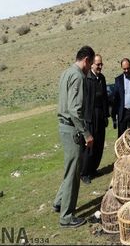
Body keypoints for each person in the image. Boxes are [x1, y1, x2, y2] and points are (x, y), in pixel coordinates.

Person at [53, 46, 95, 228]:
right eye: (90, 64)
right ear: (86, 60)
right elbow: (74, 109)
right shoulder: (77, 76)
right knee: (73, 172)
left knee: (70, 168)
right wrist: (86, 133)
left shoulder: (66, 73)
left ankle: (58, 202)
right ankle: (67, 217)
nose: (90, 68)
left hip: (63, 126)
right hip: (72, 128)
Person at [81, 54, 110, 184]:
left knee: (99, 143)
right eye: (98, 64)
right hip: (90, 116)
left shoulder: (101, 78)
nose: (100, 67)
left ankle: (93, 169)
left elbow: (104, 98)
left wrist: (106, 115)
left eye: (101, 64)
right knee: (90, 145)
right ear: (92, 64)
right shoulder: (87, 79)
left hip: (100, 114)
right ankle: (84, 172)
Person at [111, 58, 130, 137]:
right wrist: (114, 116)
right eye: (124, 69)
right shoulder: (118, 80)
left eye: (128, 68)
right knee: (121, 137)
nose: (126, 70)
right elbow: (115, 98)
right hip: (122, 112)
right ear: (122, 68)